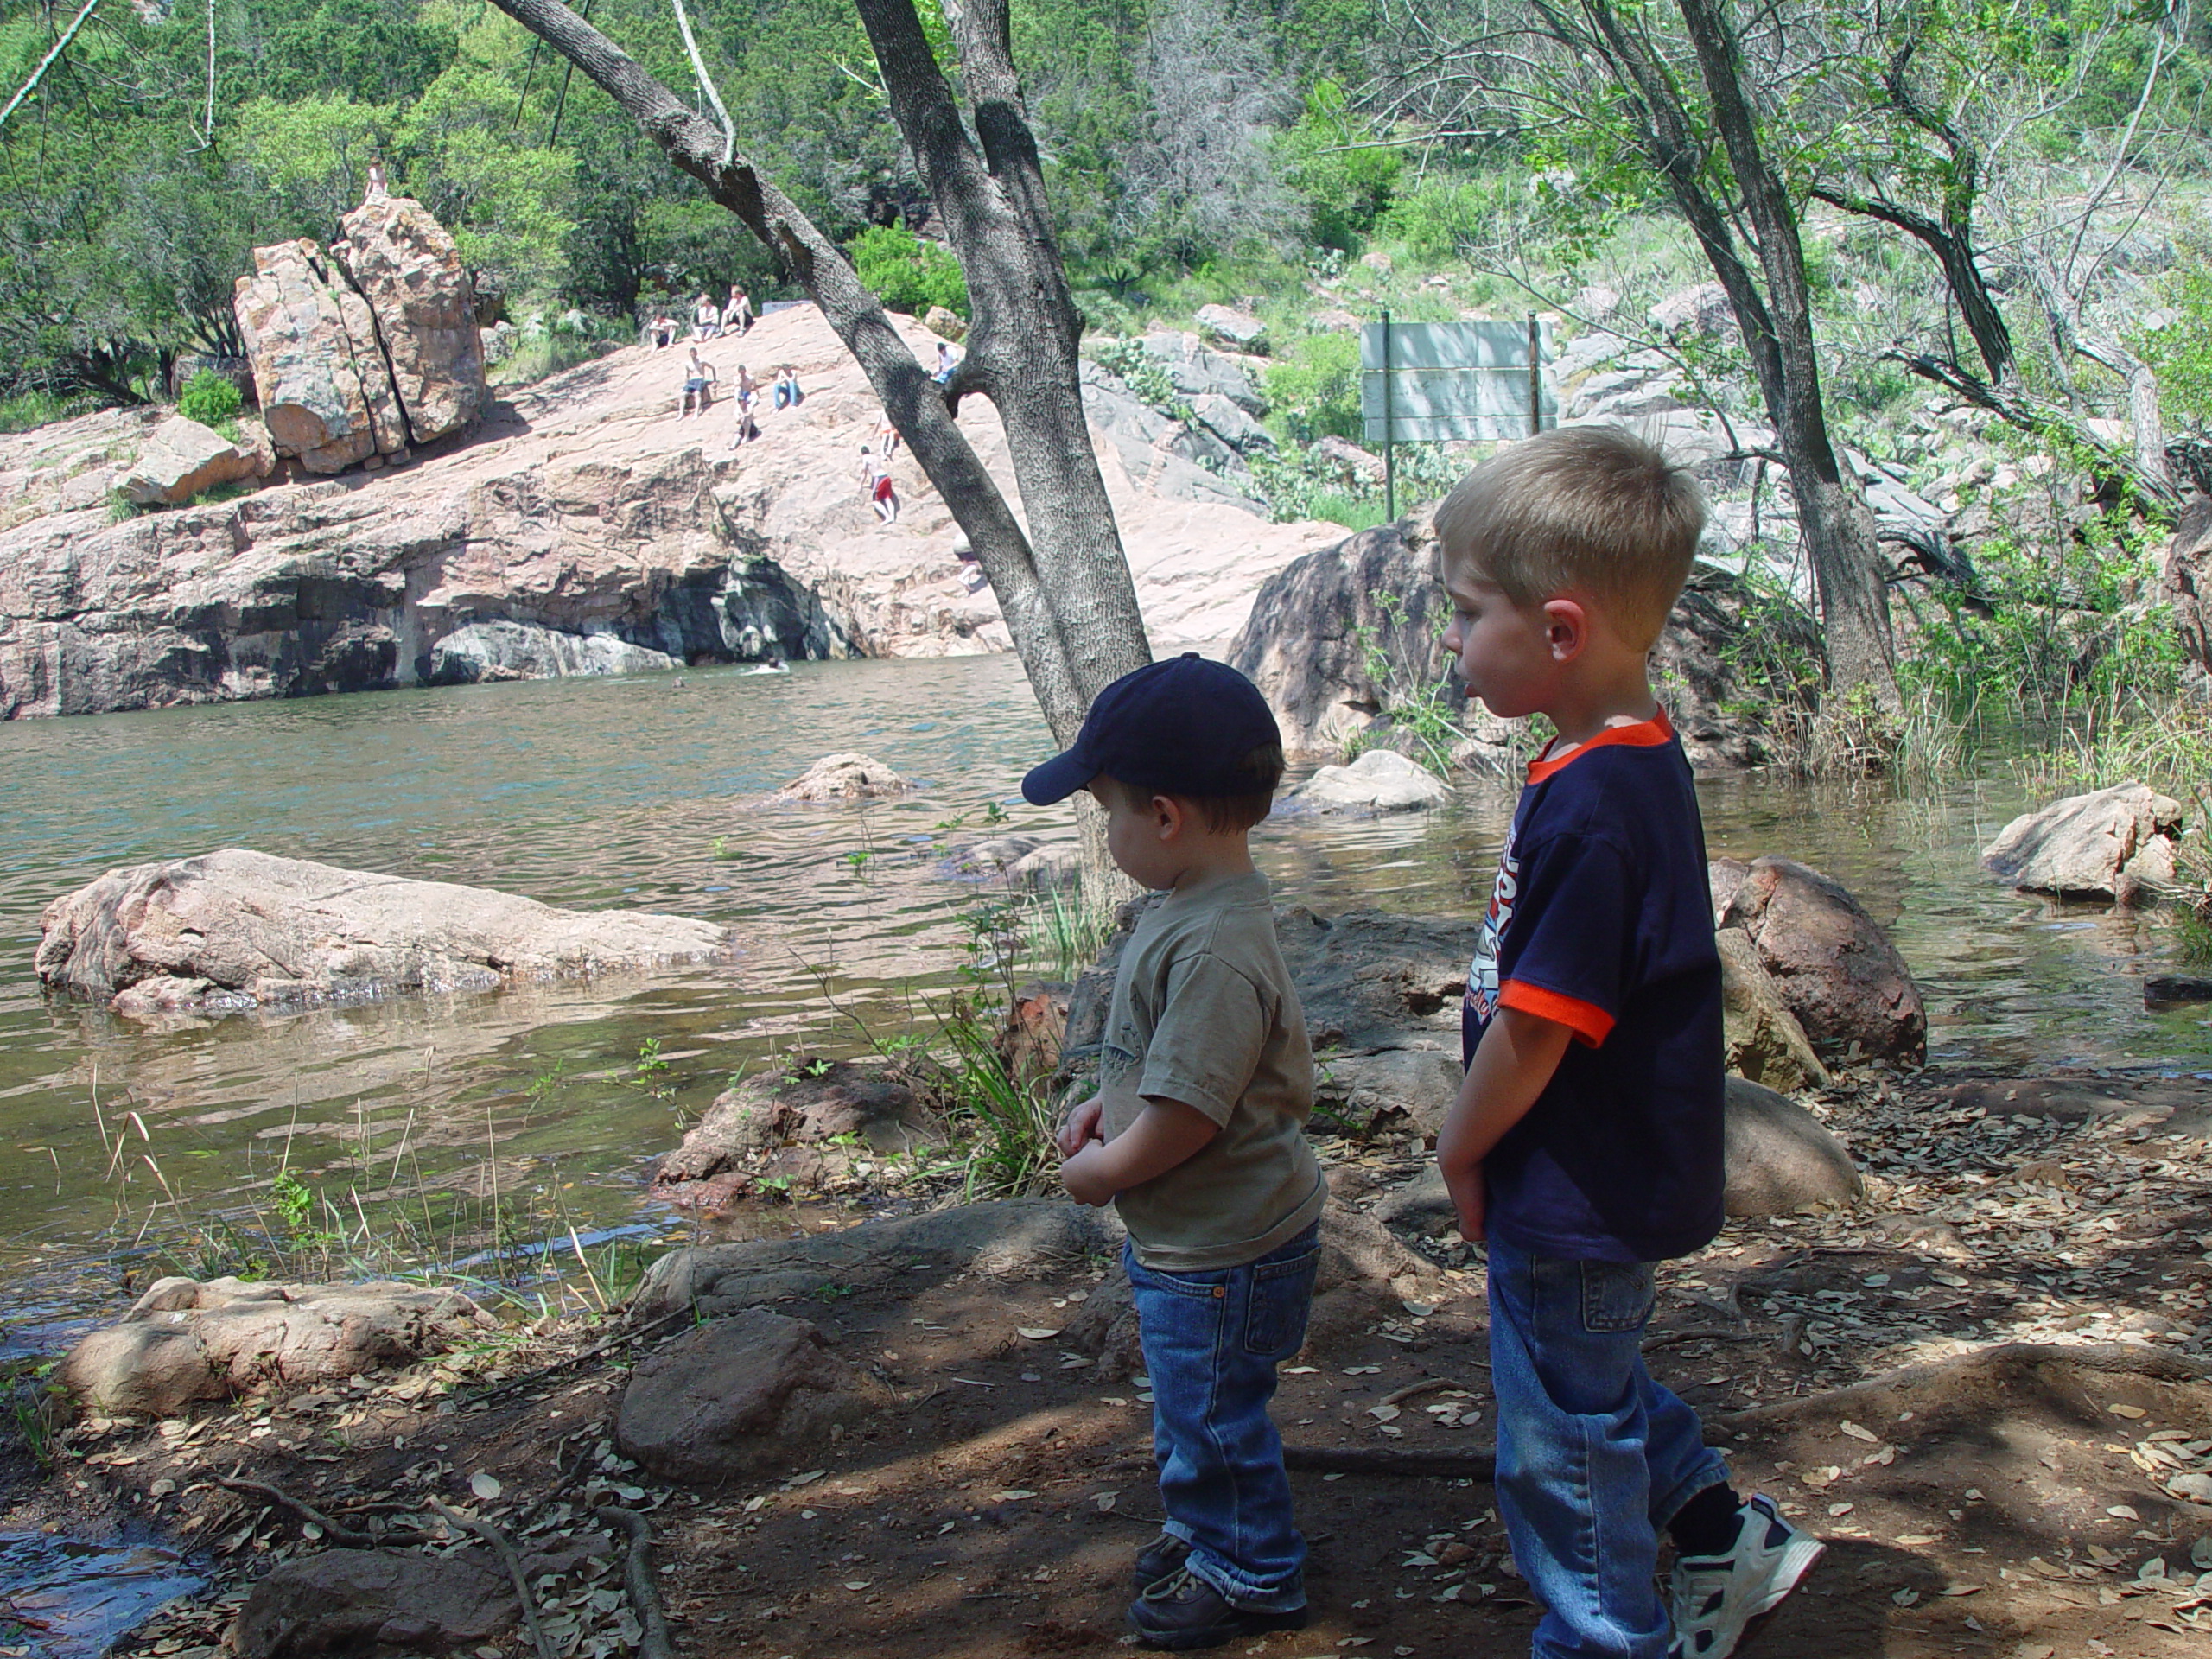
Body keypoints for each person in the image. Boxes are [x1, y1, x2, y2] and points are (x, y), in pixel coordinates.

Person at [1430, 426, 1823, 1659]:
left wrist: (1457, 1145)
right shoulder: (1615, 756)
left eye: (1465, 611)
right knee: (1579, 1374)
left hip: (1577, 1180)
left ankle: (1608, 1640)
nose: (1453, 641)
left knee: (1558, 1439)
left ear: (1558, 632)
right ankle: (1719, 1527)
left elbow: (1540, 1031)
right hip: (1600, 1172)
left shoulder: (1595, 809)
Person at [1030, 655, 1321, 1650]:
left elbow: (1194, 1117)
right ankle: (1212, 1533)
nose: (1105, 838)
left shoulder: (1213, 946)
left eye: (1106, 813)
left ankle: (1252, 1571)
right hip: (1205, 1237)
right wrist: (1111, 1114)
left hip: (1221, 1246)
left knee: (1211, 1415)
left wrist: (1103, 1175)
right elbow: (1175, 1073)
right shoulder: (1197, 908)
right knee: (1198, 1405)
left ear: (1163, 817)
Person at [860, 446, 899, 524]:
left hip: (878, 478)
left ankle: (887, 517)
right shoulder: (875, 457)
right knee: (887, 499)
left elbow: (864, 472)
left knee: (875, 501)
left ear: (862, 453)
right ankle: (892, 517)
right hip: (886, 477)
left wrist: (861, 484)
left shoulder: (865, 458)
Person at [677, 346, 716, 417]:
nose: (693, 355)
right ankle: (681, 414)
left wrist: (714, 379)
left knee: (697, 394)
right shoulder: (688, 364)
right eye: (692, 354)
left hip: (700, 379)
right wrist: (685, 384)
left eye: (694, 354)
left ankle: (696, 413)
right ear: (690, 354)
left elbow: (712, 367)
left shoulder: (701, 362)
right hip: (692, 381)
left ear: (696, 353)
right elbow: (686, 375)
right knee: (682, 395)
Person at [728, 368, 760, 447]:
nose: (743, 403)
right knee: (738, 436)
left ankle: (747, 437)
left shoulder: (749, 408)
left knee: (746, 420)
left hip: (751, 428)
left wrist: (743, 417)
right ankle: (733, 446)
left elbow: (750, 415)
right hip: (741, 393)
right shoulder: (737, 410)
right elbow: (738, 421)